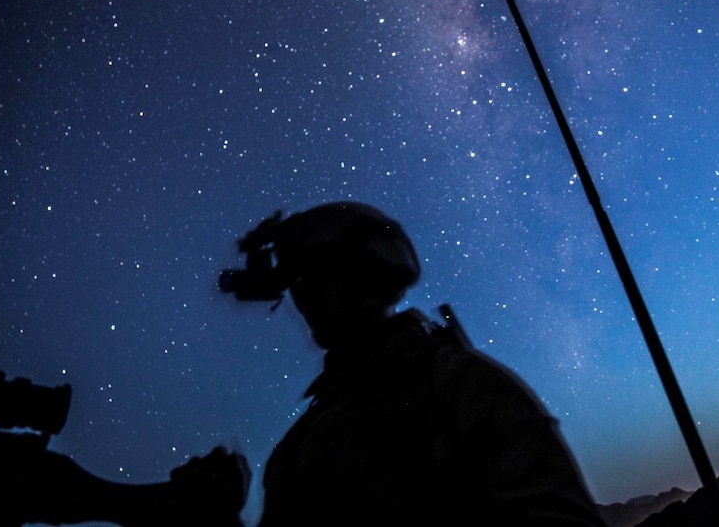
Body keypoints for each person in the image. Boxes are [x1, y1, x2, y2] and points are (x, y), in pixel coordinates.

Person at [219, 201, 608, 526]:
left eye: (319, 274)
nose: (305, 295)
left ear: (368, 273)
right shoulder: (304, 439)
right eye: (297, 281)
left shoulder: (457, 385)